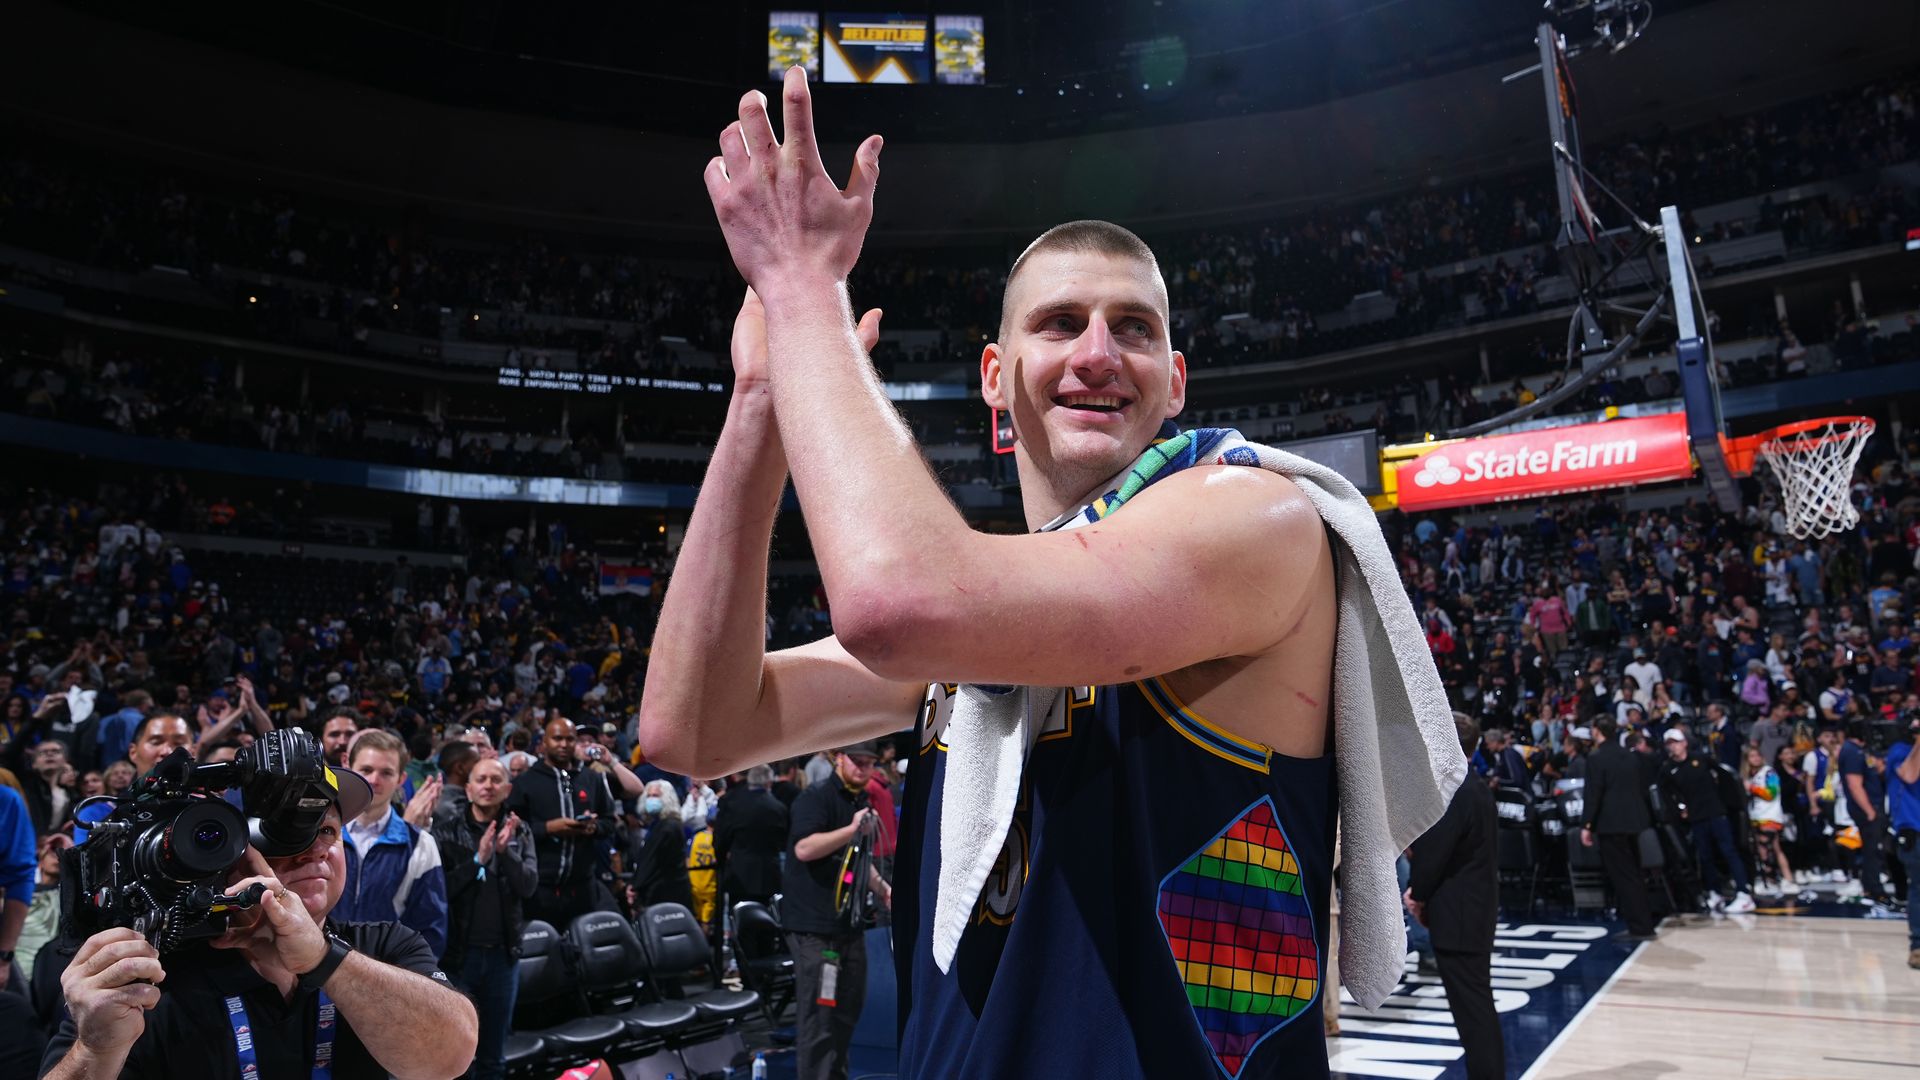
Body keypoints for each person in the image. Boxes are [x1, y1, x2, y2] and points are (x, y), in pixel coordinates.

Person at [643, 69, 1460, 1080]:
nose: (1098, 352)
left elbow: (896, 601)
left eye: (1136, 329)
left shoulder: (1258, 519)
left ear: (1175, 384)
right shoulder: (986, 623)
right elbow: (695, 726)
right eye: (1060, 322)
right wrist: (762, 403)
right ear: (996, 378)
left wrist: (804, 287)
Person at [38, 767, 478, 1079]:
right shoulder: (150, 976)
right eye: (289, 833)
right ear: (215, 845)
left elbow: (450, 1058)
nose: (316, 850)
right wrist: (95, 1052)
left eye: (327, 831)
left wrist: (324, 960)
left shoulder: (383, 945)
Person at [780, 742, 892, 1080]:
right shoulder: (815, 798)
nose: (862, 768)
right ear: (837, 759)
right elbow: (804, 848)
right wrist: (851, 829)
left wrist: (884, 890)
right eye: (856, 761)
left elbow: (856, 859)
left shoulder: (858, 801)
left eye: (869, 763)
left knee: (846, 1010)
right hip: (816, 929)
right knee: (820, 1017)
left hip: (847, 925)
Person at [1406, 714, 1502, 1080]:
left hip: (1459, 916)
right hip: (1474, 911)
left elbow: (1434, 856)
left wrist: (1418, 893)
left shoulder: (1455, 790)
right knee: (1476, 1007)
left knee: (1473, 1011)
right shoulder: (1474, 786)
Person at [431, 757, 535, 1080]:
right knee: (456, 1059)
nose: (488, 785)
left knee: (493, 1058)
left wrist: (506, 853)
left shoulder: (519, 830)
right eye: (481, 779)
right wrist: (478, 860)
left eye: (495, 779)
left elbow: (528, 886)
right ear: (468, 788)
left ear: (507, 789)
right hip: (460, 958)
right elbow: (441, 891)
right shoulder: (445, 833)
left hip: (504, 958)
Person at [337, 730, 450, 957]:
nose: (374, 780)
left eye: (386, 773)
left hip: (383, 979)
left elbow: (430, 931)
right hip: (318, 976)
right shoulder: (320, 833)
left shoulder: (421, 844)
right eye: (366, 770)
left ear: (401, 780)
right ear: (349, 767)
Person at [505, 717, 619, 928]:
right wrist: (548, 828)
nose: (564, 744)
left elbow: (610, 822)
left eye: (569, 739)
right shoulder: (524, 782)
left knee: (585, 953)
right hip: (539, 889)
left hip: (583, 888)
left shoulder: (592, 779)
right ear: (544, 742)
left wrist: (594, 828)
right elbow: (510, 830)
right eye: (557, 738)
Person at [1658, 728, 1756, 913]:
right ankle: (1714, 892)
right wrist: (1680, 808)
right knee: (1705, 857)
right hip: (1696, 816)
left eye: (1676, 742)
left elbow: (1724, 776)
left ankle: (1744, 893)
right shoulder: (1668, 769)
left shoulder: (1701, 759)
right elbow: (1668, 793)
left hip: (1716, 812)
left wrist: (1729, 803)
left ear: (1684, 743)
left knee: (1729, 851)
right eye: (1669, 743)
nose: (1674, 746)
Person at [1580, 716, 1658, 939]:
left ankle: (1640, 927)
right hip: (1634, 822)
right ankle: (1643, 923)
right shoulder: (1630, 755)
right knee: (1634, 874)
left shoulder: (1596, 757)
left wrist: (1587, 825)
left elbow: (1594, 794)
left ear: (1597, 731)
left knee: (1624, 877)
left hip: (1611, 825)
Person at [715, 764, 790, 909]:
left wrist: (722, 859)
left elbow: (721, 839)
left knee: (741, 922)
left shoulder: (734, 805)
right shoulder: (779, 808)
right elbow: (784, 841)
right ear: (769, 782)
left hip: (739, 875)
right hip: (769, 875)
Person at [1838, 719, 1890, 903]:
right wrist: (1869, 810)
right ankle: (1874, 889)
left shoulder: (1862, 750)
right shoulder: (1851, 751)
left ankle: (1871, 886)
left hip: (1874, 804)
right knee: (1872, 849)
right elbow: (1854, 785)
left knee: (1874, 848)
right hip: (1866, 807)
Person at [626, 780, 695, 911]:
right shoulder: (657, 825)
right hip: (659, 890)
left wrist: (636, 885)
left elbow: (652, 862)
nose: (651, 800)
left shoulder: (668, 827)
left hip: (668, 893)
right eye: (649, 796)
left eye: (656, 796)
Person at [1886, 714, 1920, 969]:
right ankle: (1917, 946)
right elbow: (1909, 775)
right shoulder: (1900, 751)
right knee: (1918, 888)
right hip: (1914, 831)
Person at [1742, 745, 1793, 894]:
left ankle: (1785, 879)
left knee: (1771, 848)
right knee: (1765, 850)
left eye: (1758, 755)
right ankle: (1773, 879)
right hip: (1757, 816)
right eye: (1752, 756)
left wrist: (1752, 788)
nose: (1756, 758)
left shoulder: (1769, 772)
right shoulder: (1751, 775)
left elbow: (1772, 793)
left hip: (1770, 816)